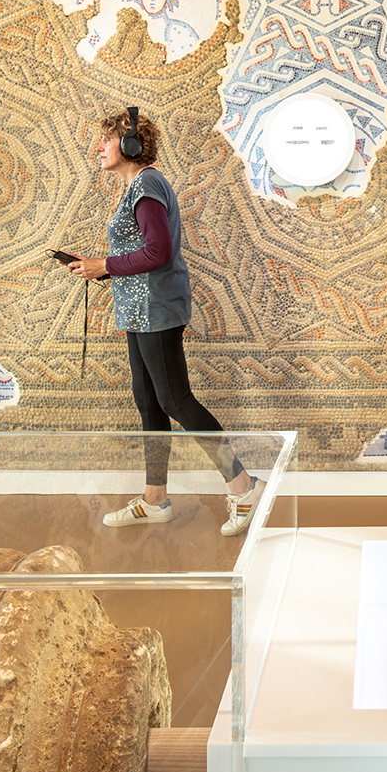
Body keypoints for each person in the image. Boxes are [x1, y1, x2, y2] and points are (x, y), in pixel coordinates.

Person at [70, 107, 260, 536]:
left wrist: (105, 264)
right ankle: (155, 499)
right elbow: (142, 251)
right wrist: (99, 266)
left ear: (133, 145)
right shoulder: (136, 186)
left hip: (156, 309)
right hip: (138, 311)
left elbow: (158, 252)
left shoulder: (148, 183)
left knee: (175, 399)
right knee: (149, 400)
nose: (98, 147)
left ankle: (244, 486)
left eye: (107, 138)